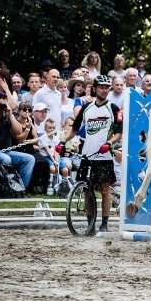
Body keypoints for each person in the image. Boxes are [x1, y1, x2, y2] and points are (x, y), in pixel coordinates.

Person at [56, 75, 123, 234]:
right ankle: (90, 224)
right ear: (95, 88)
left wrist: (109, 143)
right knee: (87, 191)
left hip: (104, 156)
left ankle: (104, 224)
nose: (104, 90)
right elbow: (74, 129)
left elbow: (119, 133)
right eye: (101, 87)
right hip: (87, 155)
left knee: (105, 189)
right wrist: (62, 142)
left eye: (107, 87)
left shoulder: (114, 108)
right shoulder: (86, 107)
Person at [0, 93, 36, 190]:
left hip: (7, 151)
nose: (2, 107)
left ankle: (20, 188)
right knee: (6, 159)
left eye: (4, 104)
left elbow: (18, 131)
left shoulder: (7, 116)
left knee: (29, 159)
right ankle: (6, 188)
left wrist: (10, 115)